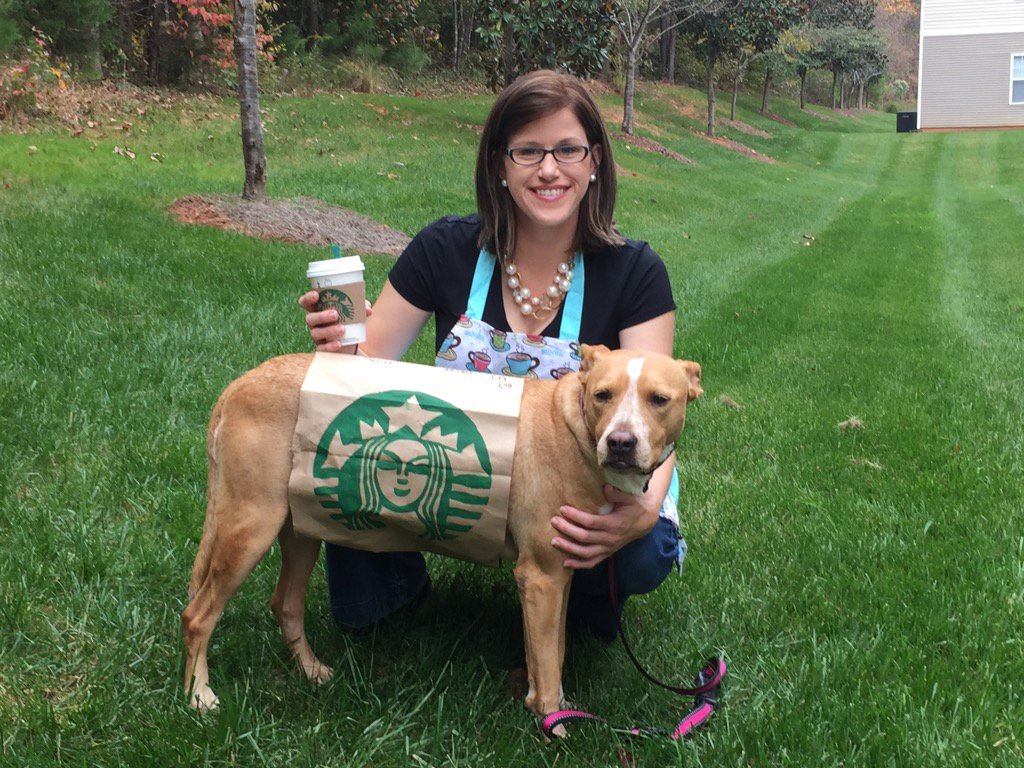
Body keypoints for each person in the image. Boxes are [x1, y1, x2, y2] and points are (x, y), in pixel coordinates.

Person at [299, 70, 683, 640]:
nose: (549, 169)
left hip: (584, 489)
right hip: (458, 474)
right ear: (499, 164)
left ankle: (584, 606)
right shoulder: (443, 248)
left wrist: (646, 509)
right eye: (527, 151)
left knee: (642, 551)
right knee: (348, 443)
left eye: (568, 149)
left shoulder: (635, 273)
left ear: (595, 161)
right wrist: (341, 339)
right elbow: (366, 371)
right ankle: (391, 594)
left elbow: (654, 411)